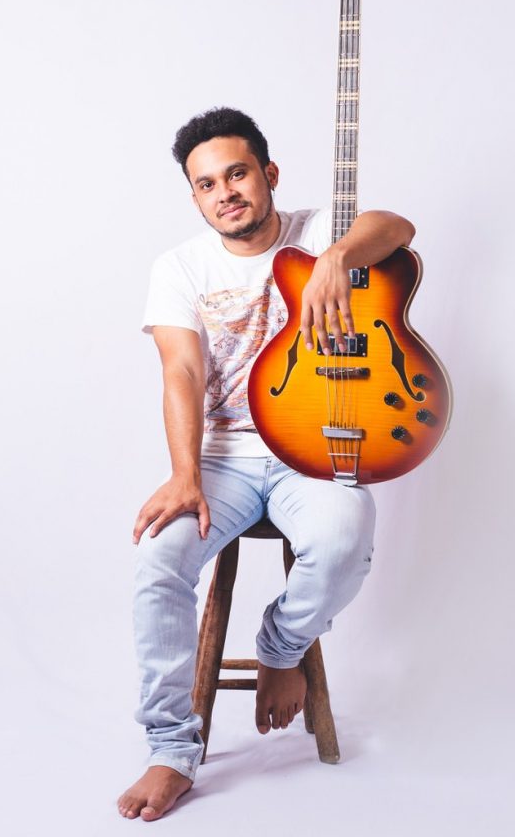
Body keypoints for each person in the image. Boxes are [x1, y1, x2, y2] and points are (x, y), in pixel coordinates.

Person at [117, 107, 415, 822]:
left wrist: (337, 259)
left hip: (311, 450)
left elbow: (397, 227)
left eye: (238, 174)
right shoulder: (179, 267)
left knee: (344, 536)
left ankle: (282, 647)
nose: (225, 192)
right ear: (195, 196)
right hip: (222, 458)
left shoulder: (318, 232)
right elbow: (181, 371)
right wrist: (184, 474)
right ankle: (171, 749)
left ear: (269, 174)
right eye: (207, 184)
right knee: (158, 560)